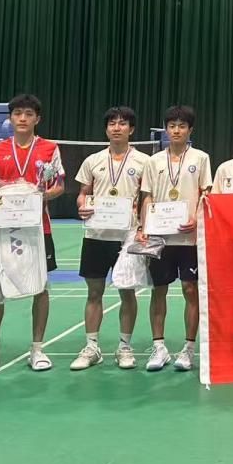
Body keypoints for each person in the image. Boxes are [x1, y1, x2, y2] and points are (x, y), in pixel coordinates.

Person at [0, 94, 65, 375]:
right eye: (18, 114)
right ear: (10, 118)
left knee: (41, 286)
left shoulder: (49, 148)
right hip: (2, 228)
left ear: (37, 119)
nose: (23, 118)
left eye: (28, 114)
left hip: (38, 227)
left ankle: (37, 349)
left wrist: (44, 195)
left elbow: (59, 184)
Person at [69, 106, 150, 371]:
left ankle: (125, 346)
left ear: (131, 129)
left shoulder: (144, 162)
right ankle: (92, 346)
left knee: (127, 292)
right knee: (94, 292)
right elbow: (84, 193)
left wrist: (144, 227)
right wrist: (82, 205)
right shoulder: (93, 160)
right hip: (96, 235)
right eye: (112, 123)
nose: (117, 127)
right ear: (106, 129)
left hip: (128, 237)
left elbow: (147, 198)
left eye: (122, 123)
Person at [139, 105, 211, 373]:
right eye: (172, 126)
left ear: (190, 130)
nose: (176, 130)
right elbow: (146, 196)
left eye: (182, 126)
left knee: (190, 290)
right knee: (158, 290)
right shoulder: (153, 161)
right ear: (166, 129)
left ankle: (189, 349)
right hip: (160, 237)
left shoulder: (201, 158)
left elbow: (206, 193)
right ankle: (159, 347)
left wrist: (197, 220)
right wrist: (145, 225)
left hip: (189, 238)